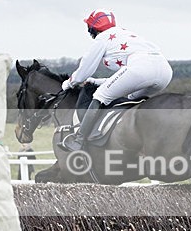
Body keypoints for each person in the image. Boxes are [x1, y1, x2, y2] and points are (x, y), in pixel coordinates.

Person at [59, 9, 173, 151]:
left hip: (141, 68)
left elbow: (83, 72)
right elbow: (123, 79)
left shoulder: (102, 38)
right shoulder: (124, 33)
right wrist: (96, 81)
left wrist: (68, 83)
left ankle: (79, 140)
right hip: (165, 71)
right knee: (130, 97)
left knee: (100, 95)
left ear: (92, 27)